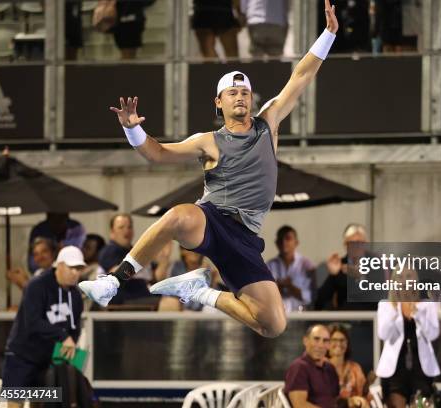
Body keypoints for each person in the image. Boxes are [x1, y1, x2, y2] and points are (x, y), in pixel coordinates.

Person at [79, 0, 340, 339]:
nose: (241, 97)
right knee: (177, 217)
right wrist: (132, 128)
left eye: (245, 91)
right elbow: (157, 154)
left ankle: (200, 291)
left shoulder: (268, 122)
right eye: (233, 92)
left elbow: (301, 75)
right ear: (220, 102)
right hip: (212, 221)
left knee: (274, 325)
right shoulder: (208, 141)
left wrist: (328, 34)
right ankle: (114, 280)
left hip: (245, 237)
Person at [2, 246, 84, 408]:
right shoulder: (37, 286)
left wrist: (71, 346)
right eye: (71, 267)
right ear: (59, 265)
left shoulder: (75, 296)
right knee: (14, 404)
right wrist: (63, 336)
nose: (75, 272)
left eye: (79, 268)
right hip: (21, 356)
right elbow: (33, 322)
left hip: (46, 360)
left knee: (42, 403)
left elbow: (74, 328)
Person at [376, 268, 440, 408]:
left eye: (409, 276)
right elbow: (383, 334)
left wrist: (417, 313)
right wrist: (396, 310)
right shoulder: (386, 305)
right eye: (400, 277)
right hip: (395, 371)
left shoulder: (427, 305)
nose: (404, 280)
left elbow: (433, 334)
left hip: (420, 368)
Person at [284, 324, 368, 408]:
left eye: (325, 341)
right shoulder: (299, 367)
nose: (320, 345)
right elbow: (300, 405)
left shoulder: (329, 368)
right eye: (316, 339)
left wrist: (351, 401)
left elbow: (335, 401)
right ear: (305, 341)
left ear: (328, 345)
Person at [315, 224, 375, 311]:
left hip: (370, 319)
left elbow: (378, 297)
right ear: (345, 245)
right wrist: (333, 275)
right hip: (345, 319)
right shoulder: (339, 264)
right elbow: (320, 302)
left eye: (359, 242)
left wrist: (360, 276)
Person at [266, 225, 315, 312]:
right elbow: (266, 297)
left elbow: (311, 297)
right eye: (280, 239)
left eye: (288, 238)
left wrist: (290, 287)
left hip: (301, 318)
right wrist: (278, 288)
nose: (284, 242)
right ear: (276, 243)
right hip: (277, 317)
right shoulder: (270, 265)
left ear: (296, 242)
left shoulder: (306, 264)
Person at [327, 323, 369, 403]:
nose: (339, 344)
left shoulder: (355, 368)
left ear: (347, 343)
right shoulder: (321, 367)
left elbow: (364, 396)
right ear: (327, 343)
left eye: (342, 340)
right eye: (334, 340)